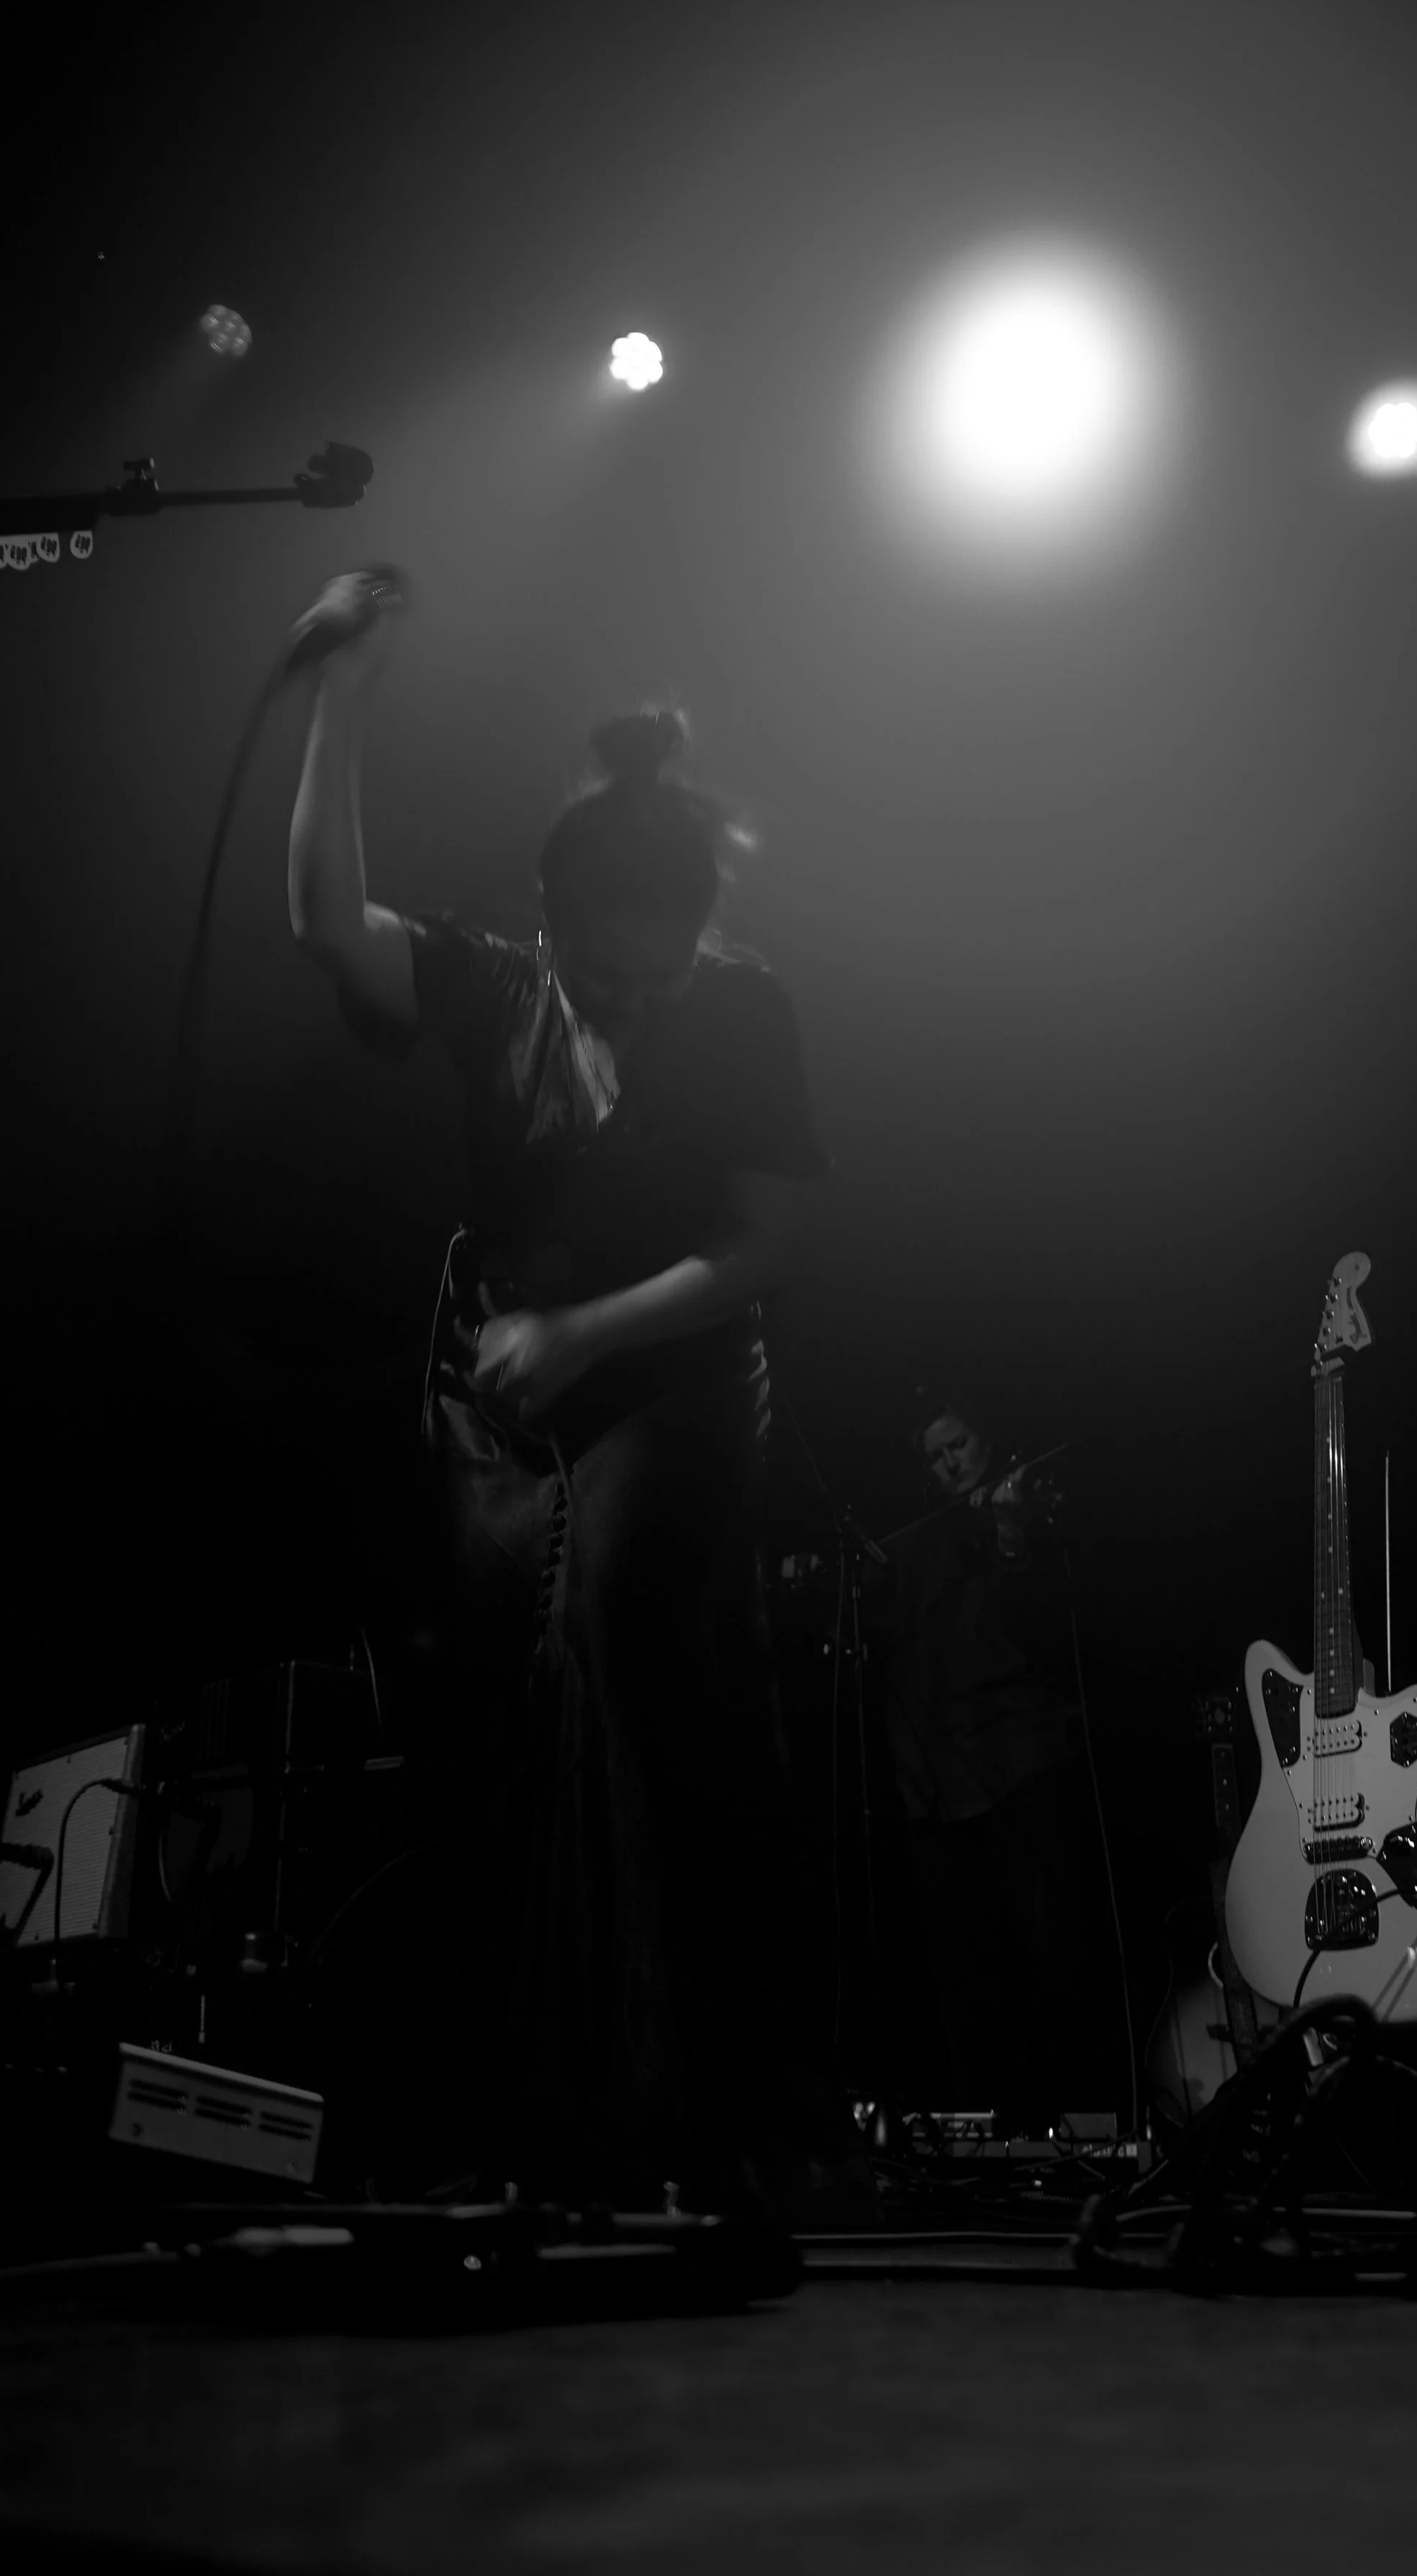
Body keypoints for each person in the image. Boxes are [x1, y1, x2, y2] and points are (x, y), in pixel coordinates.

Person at [284, 570, 865, 2221]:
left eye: (657, 981)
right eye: (605, 983)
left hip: (674, 1380)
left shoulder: (742, 1009)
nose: (630, 1008)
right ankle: (511, 2110)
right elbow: (326, 924)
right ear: (551, 936)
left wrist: (591, 1332)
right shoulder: (493, 988)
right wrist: (343, 695)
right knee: (493, 1714)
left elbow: (770, 1246)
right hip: (500, 1399)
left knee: (631, 1645)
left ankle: (708, 2108)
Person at [873, 1398, 1121, 2123]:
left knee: (1057, 1959)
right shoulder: (918, 1544)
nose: (949, 1463)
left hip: (1020, 1766)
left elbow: (1047, 1627)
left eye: (958, 1445)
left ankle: (1087, 2132)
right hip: (938, 1786)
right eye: (934, 1456)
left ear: (986, 1440)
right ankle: (999, 2141)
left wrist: (1013, 1532)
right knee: (973, 1979)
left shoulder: (1025, 1508)